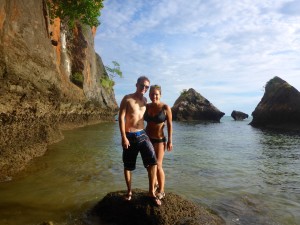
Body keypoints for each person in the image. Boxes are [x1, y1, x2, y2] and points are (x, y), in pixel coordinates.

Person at [118, 76, 161, 206]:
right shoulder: (127, 98)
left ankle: (151, 192)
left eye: (147, 87)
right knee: (128, 166)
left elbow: (153, 113)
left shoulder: (145, 100)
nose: (144, 88)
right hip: (129, 135)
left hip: (143, 134)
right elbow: (121, 118)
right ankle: (129, 191)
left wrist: (162, 126)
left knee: (153, 162)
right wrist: (123, 137)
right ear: (136, 84)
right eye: (142, 85)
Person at [144, 85, 173, 200]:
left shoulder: (165, 107)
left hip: (160, 140)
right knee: (149, 166)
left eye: (156, 94)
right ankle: (154, 184)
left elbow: (170, 125)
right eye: (152, 94)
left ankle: (161, 190)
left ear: (160, 95)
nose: (154, 96)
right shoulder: (146, 106)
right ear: (149, 94)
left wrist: (170, 141)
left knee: (158, 165)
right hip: (147, 138)